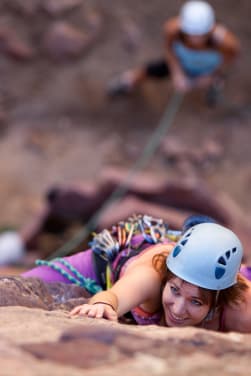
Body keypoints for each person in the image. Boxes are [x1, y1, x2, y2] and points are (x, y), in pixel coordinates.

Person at [22, 214, 251, 332]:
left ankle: (206, 236)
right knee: (21, 285)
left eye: (196, 301)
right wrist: (103, 305)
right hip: (112, 260)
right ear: (167, 278)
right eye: (174, 290)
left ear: (219, 300)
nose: (178, 309)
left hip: (230, 275)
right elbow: (114, 298)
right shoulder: (151, 277)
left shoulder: (239, 310)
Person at [108, 1, 240, 105]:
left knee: (216, 84)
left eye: (200, 35)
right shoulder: (172, 30)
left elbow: (228, 61)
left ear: (210, 29)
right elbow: (169, 49)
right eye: (191, 34)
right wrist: (177, 72)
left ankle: (213, 92)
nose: (195, 40)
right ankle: (127, 82)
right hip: (182, 63)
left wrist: (210, 77)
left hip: (207, 70)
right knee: (149, 69)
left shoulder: (227, 43)